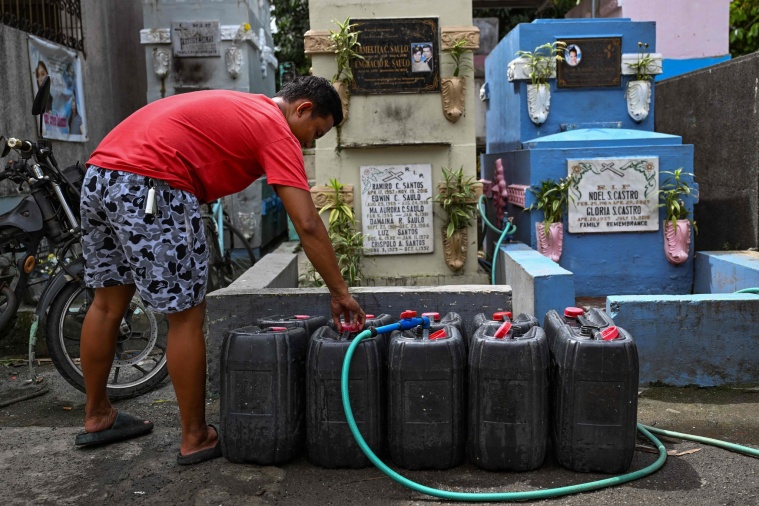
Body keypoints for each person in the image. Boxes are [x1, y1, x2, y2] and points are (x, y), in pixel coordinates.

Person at [74, 76, 366, 465]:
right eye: (315, 133)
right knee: (186, 316)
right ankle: (195, 436)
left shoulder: (248, 107)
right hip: (152, 183)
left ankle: (98, 415)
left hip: (101, 175)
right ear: (303, 109)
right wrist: (340, 292)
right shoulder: (276, 129)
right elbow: (308, 223)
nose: (309, 145)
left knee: (107, 304)